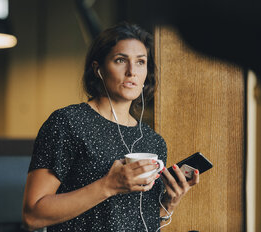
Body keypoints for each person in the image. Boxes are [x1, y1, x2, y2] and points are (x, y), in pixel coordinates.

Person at [22, 22, 199, 232]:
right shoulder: (67, 122)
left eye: (141, 62)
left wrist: (169, 203)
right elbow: (32, 215)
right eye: (120, 60)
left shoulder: (153, 141)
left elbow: (141, 220)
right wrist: (108, 185)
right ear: (98, 69)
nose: (132, 71)